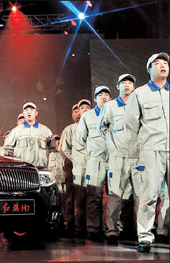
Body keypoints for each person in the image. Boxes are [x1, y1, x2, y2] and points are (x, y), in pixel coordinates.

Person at [124, 52, 169, 252]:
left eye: (165, 62)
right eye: (157, 63)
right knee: (148, 195)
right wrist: (139, 153)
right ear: (149, 69)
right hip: (151, 151)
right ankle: (145, 236)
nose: (163, 65)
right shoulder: (139, 93)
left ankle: (165, 231)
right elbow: (130, 125)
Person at [97, 73, 140, 245]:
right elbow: (102, 128)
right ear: (117, 86)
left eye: (130, 82)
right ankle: (112, 231)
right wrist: (112, 144)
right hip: (118, 157)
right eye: (124, 82)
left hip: (138, 157)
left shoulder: (139, 105)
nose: (127, 85)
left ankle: (141, 231)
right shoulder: (110, 106)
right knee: (115, 196)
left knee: (141, 196)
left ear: (134, 87)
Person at [77, 86, 112, 242]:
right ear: (95, 98)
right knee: (94, 195)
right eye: (100, 94)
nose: (103, 96)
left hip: (114, 160)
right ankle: (93, 228)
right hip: (95, 161)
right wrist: (92, 153)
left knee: (114, 196)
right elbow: (81, 139)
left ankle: (112, 230)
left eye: (106, 94)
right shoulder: (87, 116)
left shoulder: (115, 112)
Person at [60, 99, 91, 241]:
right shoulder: (70, 129)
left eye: (85, 108)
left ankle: (90, 227)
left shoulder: (94, 126)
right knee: (73, 198)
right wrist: (75, 160)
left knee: (90, 197)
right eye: (78, 109)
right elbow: (63, 149)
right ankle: (72, 225)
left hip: (91, 167)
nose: (80, 112)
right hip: (73, 168)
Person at [4, 102, 52, 168]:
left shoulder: (46, 131)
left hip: (41, 169)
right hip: (22, 170)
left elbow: (52, 149)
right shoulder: (16, 131)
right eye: (26, 110)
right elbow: (7, 148)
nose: (29, 112)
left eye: (32, 110)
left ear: (36, 113)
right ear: (23, 114)